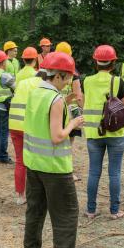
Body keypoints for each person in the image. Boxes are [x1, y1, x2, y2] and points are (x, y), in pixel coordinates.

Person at [23, 52, 93, 248]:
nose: (68, 83)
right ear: (60, 76)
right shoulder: (56, 99)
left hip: (33, 164)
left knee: (35, 210)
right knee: (66, 215)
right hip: (55, 168)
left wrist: (66, 102)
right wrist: (73, 122)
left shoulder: (36, 92)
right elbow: (57, 136)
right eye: (67, 78)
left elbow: (41, 121)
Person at [83, 45, 124, 219]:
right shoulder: (118, 81)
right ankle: (115, 211)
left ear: (96, 62)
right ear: (114, 63)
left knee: (94, 172)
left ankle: (91, 210)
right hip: (116, 134)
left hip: (94, 134)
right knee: (114, 173)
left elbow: (84, 102)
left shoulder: (86, 81)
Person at [9, 73, 43, 205]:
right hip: (29, 126)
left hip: (14, 124)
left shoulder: (23, 82)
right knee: (37, 160)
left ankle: (20, 196)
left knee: (20, 161)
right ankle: (37, 194)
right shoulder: (43, 85)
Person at [55, 41, 84, 181]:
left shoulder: (51, 69)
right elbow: (78, 95)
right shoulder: (73, 72)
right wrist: (82, 109)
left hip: (54, 109)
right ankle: (67, 172)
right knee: (68, 144)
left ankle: (55, 168)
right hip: (70, 112)